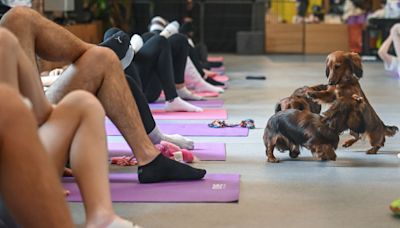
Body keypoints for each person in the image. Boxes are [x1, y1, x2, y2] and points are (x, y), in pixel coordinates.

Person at [0, 6, 206, 184]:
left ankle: (150, 159)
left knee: (102, 57)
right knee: (107, 61)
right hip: (16, 145)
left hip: (29, 121)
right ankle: (113, 53)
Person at [0, 27, 137, 227]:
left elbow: (42, 111)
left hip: (16, 175)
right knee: (9, 104)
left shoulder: (5, 41)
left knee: (82, 103)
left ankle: (102, 216)